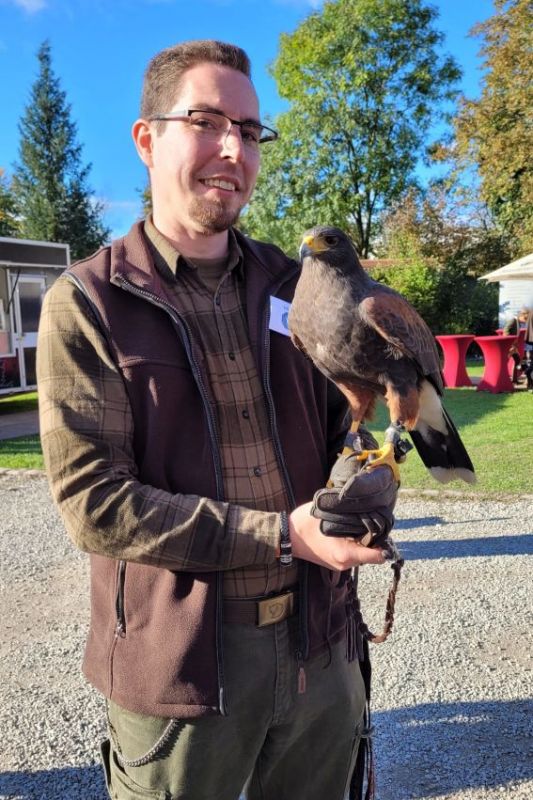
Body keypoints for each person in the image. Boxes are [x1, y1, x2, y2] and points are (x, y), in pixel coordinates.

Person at [36, 40, 397, 800]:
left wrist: (360, 482)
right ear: (147, 139)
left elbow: (349, 422)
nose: (234, 150)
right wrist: (282, 535)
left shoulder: (296, 284)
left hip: (320, 648)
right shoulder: (90, 301)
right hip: (184, 671)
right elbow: (94, 504)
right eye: (206, 122)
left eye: (250, 130)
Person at [503, 307, 531, 386]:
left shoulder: (517, 322)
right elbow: (505, 331)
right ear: (521, 315)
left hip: (513, 347)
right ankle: (505, 380)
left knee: (518, 361)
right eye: (525, 319)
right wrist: (510, 344)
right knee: (505, 362)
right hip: (509, 346)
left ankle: (514, 380)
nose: (526, 321)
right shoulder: (513, 320)